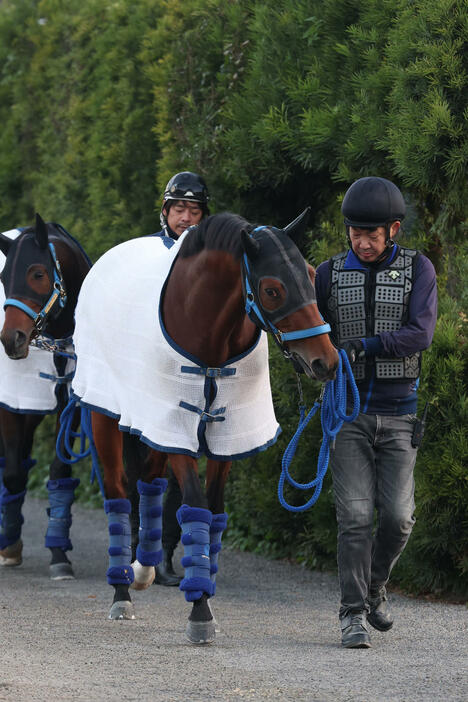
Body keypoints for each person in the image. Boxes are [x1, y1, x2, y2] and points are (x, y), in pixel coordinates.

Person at [314, 176, 437, 648]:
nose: (363, 242)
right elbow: (312, 336)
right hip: (346, 413)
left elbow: (420, 333)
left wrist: (364, 346)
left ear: (394, 230)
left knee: (400, 517)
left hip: (400, 411)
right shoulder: (327, 274)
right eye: (355, 233)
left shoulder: (417, 270)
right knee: (355, 516)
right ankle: (350, 614)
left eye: (372, 234)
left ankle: (374, 586)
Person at [151, 171, 210, 585]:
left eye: (194, 210)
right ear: (166, 212)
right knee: (146, 469)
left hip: (189, 379)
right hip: (148, 375)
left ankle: (166, 553)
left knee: (179, 468)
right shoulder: (146, 256)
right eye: (179, 209)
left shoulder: (211, 262)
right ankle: (145, 548)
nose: (186, 218)